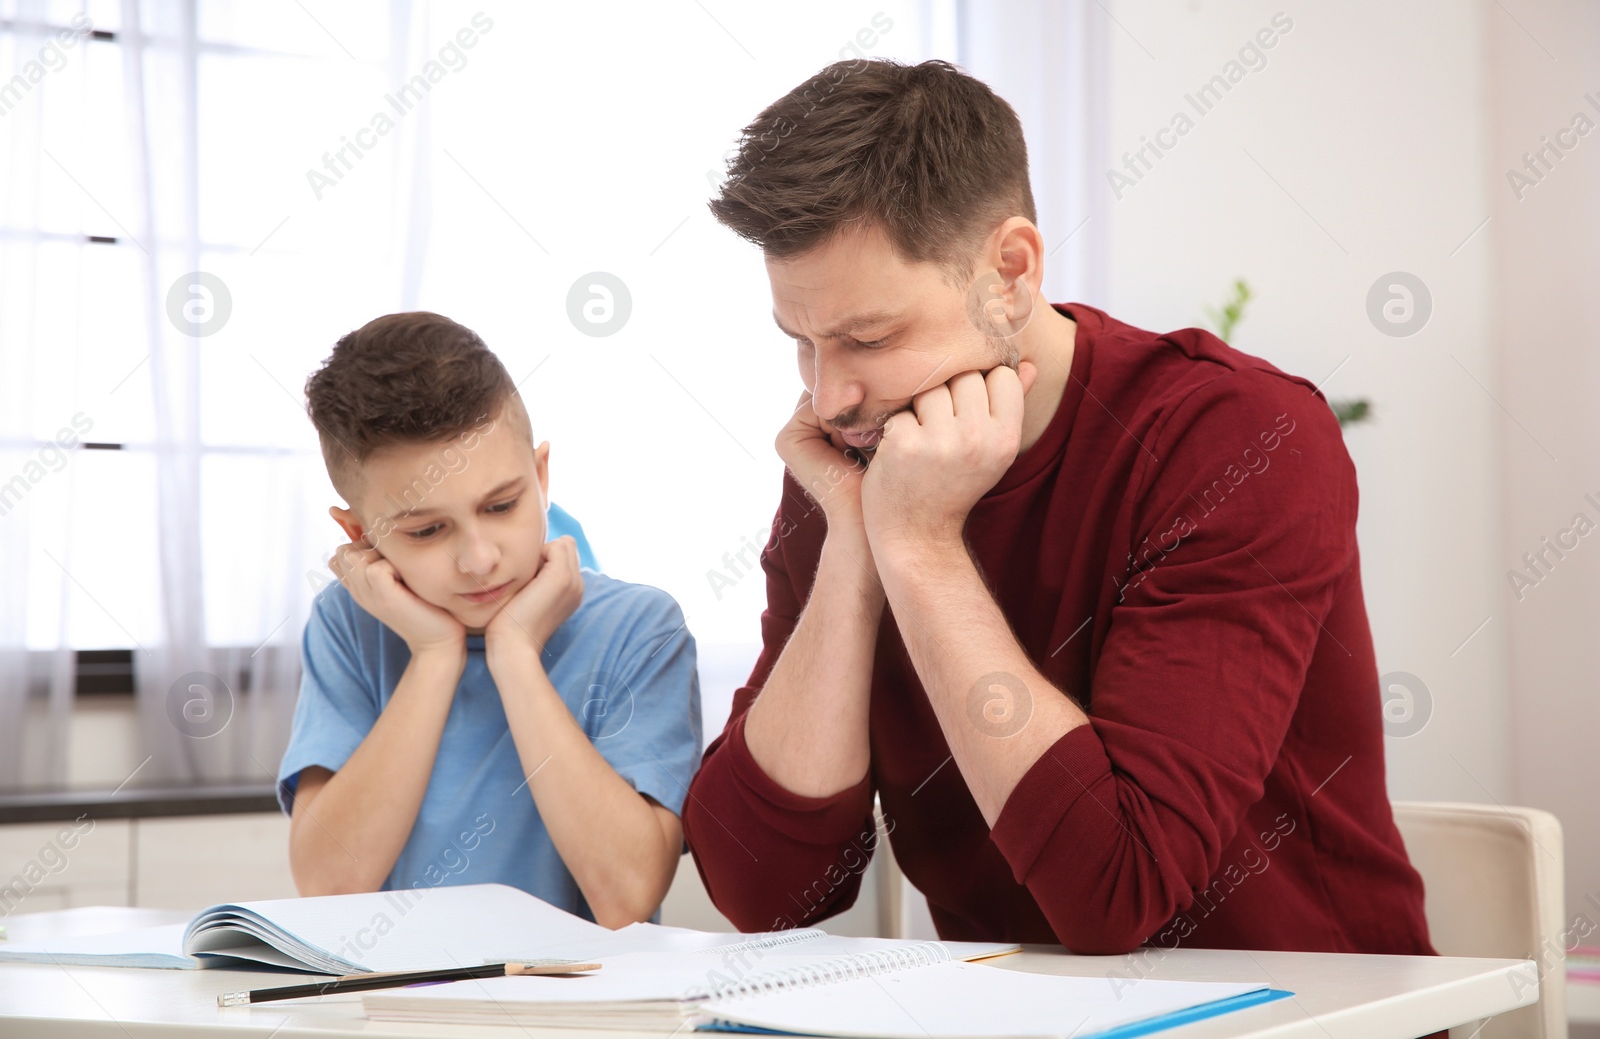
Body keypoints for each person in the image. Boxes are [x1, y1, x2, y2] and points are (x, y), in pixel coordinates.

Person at [683, 59, 1435, 963]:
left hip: (1310, 1013)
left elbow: (1117, 891)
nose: (829, 395)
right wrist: (855, 545)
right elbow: (765, 892)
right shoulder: (859, 453)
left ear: (1009, 270)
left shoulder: (1237, 440)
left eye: (870, 338)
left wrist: (918, 546)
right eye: (801, 343)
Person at [277, 312, 701, 927]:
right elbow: (329, 887)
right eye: (426, 530)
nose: (479, 559)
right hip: (399, 1012)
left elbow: (626, 897)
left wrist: (516, 653)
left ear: (541, 476)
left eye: (502, 505)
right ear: (360, 535)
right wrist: (433, 655)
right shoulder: (350, 624)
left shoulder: (640, 629)